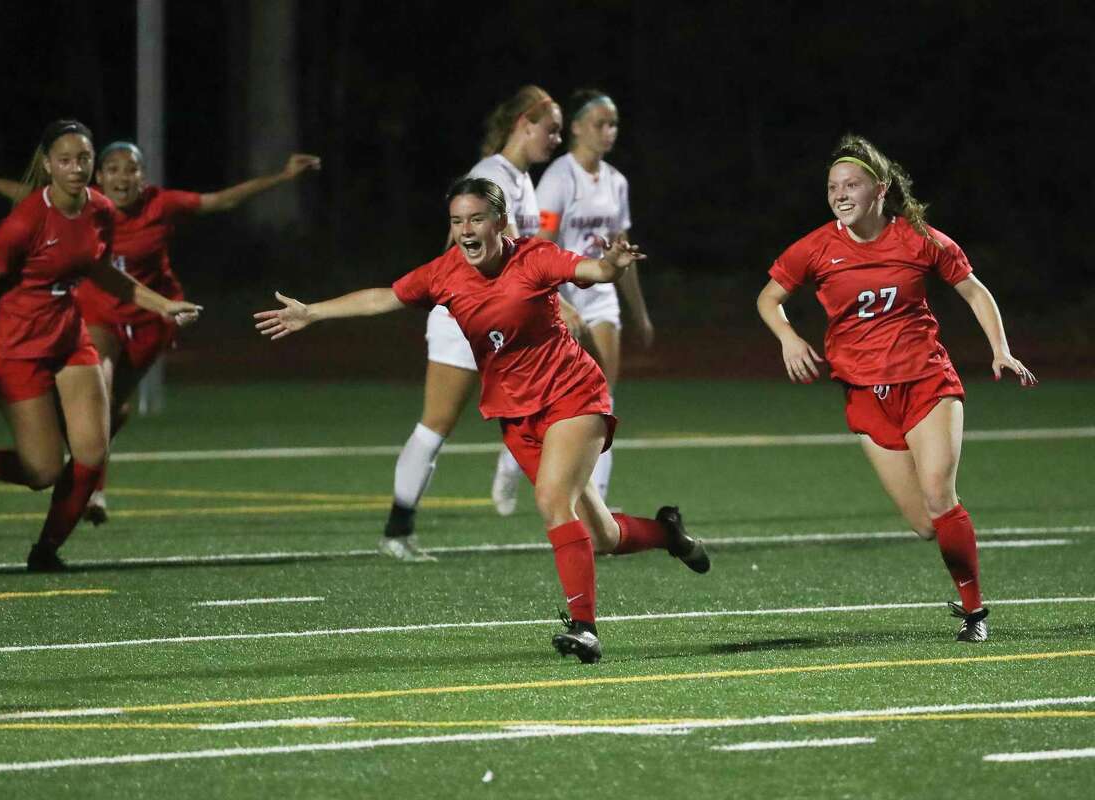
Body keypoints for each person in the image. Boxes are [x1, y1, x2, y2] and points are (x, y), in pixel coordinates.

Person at [256, 177, 710, 663]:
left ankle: (584, 629)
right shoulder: (446, 272)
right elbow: (384, 297)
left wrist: (611, 267)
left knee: (553, 500)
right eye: (456, 221)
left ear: (499, 222)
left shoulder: (533, 256)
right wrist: (313, 312)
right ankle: (669, 533)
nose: (465, 230)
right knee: (600, 536)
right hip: (515, 413)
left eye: (475, 219)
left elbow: (590, 269)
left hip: (571, 394)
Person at [756, 133, 1037, 642]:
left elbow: (973, 290)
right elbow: (768, 298)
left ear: (880, 189)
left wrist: (1000, 348)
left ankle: (975, 612)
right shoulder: (816, 247)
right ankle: (961, 570)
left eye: (852, 185)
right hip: (865, 396)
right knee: (926, 524)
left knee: (939, 495)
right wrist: (788, 338)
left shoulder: (918, 238)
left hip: (927, 382)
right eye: (832, 187)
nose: (840, 195)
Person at [0, 146, 320, 523]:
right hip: (96, 315)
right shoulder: (82, 206)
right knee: (101, 395)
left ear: (144, 177)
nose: (123, 178)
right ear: (99, 176)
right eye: (113, 169)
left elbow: (220, 201)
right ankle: (92, 492)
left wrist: (283, 176)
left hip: (148, 322)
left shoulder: (160, 204)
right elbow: (28, 195)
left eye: (132, 170)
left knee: (115, 411)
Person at [0, 119, 202, 571]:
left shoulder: (99, 209)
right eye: (65, 160)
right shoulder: (27, 219)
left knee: (90, 452)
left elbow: (101, 271)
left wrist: (162, 305)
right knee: (42, 470)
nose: (76, 167)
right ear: (47, 165)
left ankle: (46, 551)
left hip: (69, 339)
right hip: (20, 347)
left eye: (83, 158)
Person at [380, 85, 570, 563]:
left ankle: (530, 476)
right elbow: (461, 250)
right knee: (436, 424)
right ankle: (397, 530)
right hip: (465, 319)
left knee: (551, 399)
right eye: (551, 130)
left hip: (498, 318)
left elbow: (521, 259)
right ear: (524, 123)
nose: (557, 139)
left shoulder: (521, 181)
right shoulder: (489, 175)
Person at [535, 89, 653, 504]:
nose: (609, 132)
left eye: (614, 124)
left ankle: (597, 496)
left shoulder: (616, 182)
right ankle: (512, 459)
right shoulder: (557, 178)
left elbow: (623, 252)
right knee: (548, 394)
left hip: (600, 296)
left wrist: (640, 313)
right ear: (577, 127)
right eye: (601, 123)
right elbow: (542, 244)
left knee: (602, 394)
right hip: (562, 293)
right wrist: (552, 299)